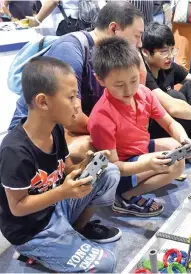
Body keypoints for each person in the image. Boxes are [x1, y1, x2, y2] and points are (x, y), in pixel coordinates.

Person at [0, 57, 121, 272]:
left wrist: (86, 164)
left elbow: (65, 170)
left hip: (56, 208)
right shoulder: (14, 151)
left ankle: (75, 230)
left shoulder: (55, 129)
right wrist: (63, 193)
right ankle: (40, 249)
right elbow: (17, 208)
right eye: (71, 97)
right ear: (43, 102)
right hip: (32, 231)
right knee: (105, 264)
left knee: (108, 171)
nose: (77, 104)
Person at [9, 1, 145, 163]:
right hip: (39, 132)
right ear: (114, 29)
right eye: (137, 36)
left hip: (67, 126)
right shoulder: (71, 49)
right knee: (86, 148)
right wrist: (114, 130)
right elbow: (72, 118)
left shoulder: (112, 58)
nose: (140, 43)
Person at [88, 37, 191, 217]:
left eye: (134, 80)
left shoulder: (143, 93)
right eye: (119, 85)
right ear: (100, 80)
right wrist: (146, 164)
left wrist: (184, 139)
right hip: (122, 170)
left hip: (140, 152)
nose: (129, 90)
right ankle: (124, 197)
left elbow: (169, 122)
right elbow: (113, 168)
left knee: (176, 148)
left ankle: (144, 180)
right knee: (176, 164)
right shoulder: (101, 117)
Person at [142, 22, 191, 152]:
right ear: (146, 52)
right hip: (156, 128)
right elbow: (172, 108)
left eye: (172, 50)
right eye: (164, 52)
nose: (170, 56)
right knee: (174, 96)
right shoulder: (143, 73)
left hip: (178, 126)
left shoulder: (169, 66)